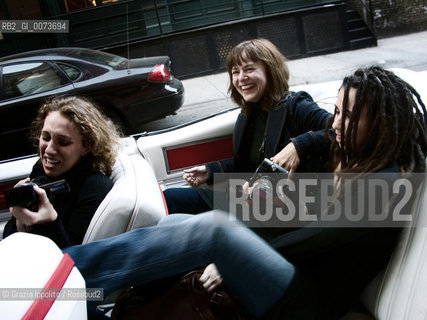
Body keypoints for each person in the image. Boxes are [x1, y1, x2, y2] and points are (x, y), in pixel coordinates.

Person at [61, 66, 427, 319]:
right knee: (176, 221)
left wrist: (228, 257)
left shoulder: (389, 184)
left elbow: (310, 240)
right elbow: (301, 220)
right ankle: (104, 302)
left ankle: (61, 276)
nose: (336, 125)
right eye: (335, 112)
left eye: (349, 116)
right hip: (293, 275)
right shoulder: (357, 162)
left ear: (385, 122)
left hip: (306, 304)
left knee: (215, 230)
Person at [164, 38, 331, 214]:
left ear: (271, 71)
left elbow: (339, 129)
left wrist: (298, 146)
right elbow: (248, 164)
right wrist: (211, 171)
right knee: (170, 198)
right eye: (235, 72)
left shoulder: (296, 106)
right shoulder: (248, 114)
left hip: (278, 208)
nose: (241, 78)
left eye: (249, 69)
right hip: (246, 200)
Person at [3, 95, 121, 249]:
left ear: (87, 146)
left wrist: (49, 222)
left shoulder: (94, 187)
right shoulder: (40, 169)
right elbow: (9, 237)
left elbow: (73, 258)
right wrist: (20, 214)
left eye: (63, 142)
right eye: (45, 137)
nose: (49, 150)